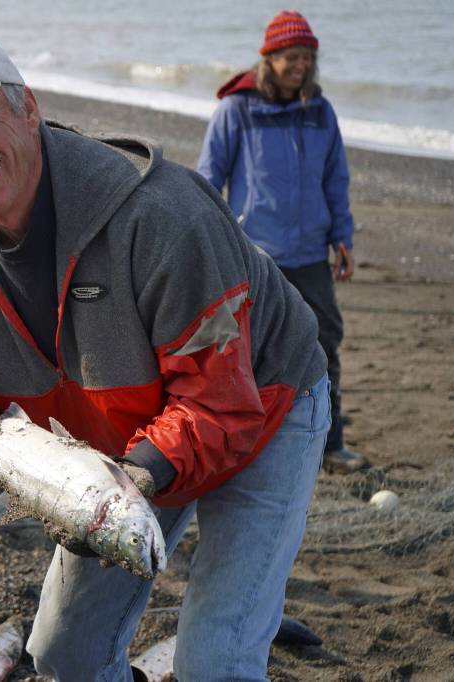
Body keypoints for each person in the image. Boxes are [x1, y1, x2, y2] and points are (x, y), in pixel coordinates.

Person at [0, 36, 331, 680]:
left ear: (29, 108)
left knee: (216, 661)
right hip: (127, 450)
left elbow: (218, 400)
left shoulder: (163, 217)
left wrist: (130, 481)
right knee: (63, 657)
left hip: (266, 404)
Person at [197, 10, 368, 474]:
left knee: (324, 342)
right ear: (268, 58)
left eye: (307, 57)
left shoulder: (321, 112)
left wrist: (342, 236)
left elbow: (336, 178)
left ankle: (331, 445)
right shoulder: (237, 110)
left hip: (312, 253)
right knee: (251, 351)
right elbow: (209, 181)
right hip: (256, 257)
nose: (300, 65)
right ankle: (251, 443)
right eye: (291, 57)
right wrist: (208, 244)